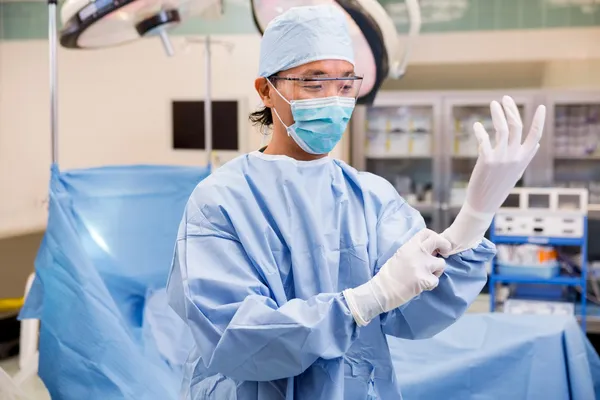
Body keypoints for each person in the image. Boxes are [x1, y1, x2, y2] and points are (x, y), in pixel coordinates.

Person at [166, 4, 546, 399]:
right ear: (266, 90)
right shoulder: (220, 201)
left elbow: (419, 310)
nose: (333, 100)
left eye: (346, 85)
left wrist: (474, 217)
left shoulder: (371, 198)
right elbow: (237, 339)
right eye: (314, 84)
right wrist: (363, 302)